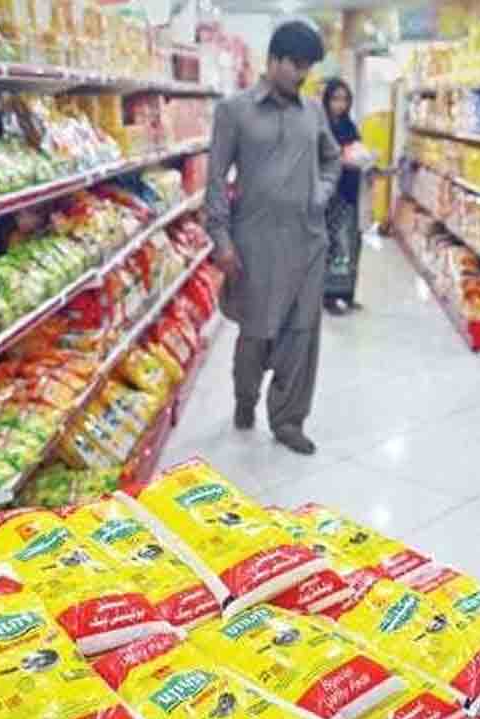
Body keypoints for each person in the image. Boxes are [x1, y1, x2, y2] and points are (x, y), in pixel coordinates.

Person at [204, 20, 341, 456]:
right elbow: (215, 180)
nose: (301, 74)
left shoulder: (313, 112)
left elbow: (332, 159)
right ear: (273, 59)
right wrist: (221, 240)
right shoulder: (234, 111)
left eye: (307, 67)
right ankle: (245, 398)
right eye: (295, 64)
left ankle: (288, 420)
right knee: (257, 332)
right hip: (255, 244)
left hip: (308, 242)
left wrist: (320, 193)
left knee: (301, 334)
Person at [320, 78, 365, 315]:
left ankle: (347, 294)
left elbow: (357, 151)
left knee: (351, 245)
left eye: (345, 99)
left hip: (350, 191)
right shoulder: (321, 127)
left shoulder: (350, 126)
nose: (340, 104)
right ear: (327, 100)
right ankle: (329, 295)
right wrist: (339, 159)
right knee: (334, 245)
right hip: (330, 194)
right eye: (336, 99)